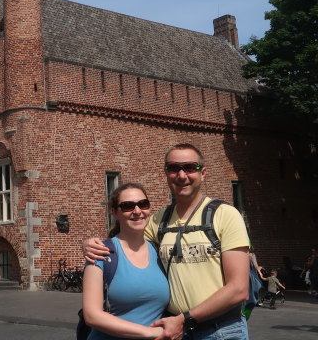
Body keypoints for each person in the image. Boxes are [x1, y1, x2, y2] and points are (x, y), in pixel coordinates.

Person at [84, 144, 250, 340]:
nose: (181, 175)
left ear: (203, 173)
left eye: (190, 167)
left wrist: (185, 319)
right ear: (166, 174)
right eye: (174, 168)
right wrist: (88, 244)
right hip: (176, 332)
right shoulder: (158, 220)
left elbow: (238, 289)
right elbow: (127, 237)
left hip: (219, 330)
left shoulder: (225, 215)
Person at [82, 183, 168, 339]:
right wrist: (149, 332)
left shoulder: (159, 251)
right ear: (115, 212)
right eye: (128, 206)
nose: (137, 211)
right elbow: (92, 315)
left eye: (143, 204)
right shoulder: (102, 253)